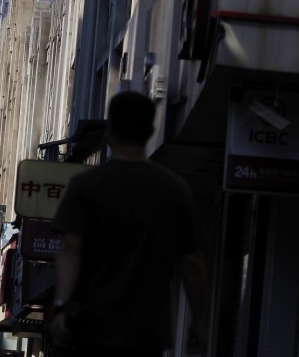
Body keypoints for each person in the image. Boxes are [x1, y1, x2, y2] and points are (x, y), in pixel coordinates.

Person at [49, 91, 210, 356]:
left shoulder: (85, 185)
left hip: (92, 329)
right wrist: (200, 321)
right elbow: (192, 261)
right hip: (147, 333)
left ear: (109, 131)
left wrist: (61, 306)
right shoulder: (174, 190)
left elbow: (69, 248)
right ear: (150, 131)